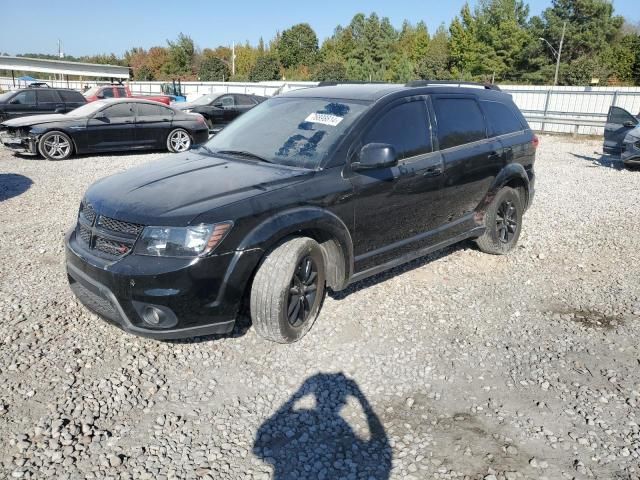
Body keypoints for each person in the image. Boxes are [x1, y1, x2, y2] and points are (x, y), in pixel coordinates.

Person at [253, 373, 391, 480]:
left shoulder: (302, 418)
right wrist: (363, 402)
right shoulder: (342, 426)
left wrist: (294, 399)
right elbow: (380, 447)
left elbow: (259, 449)